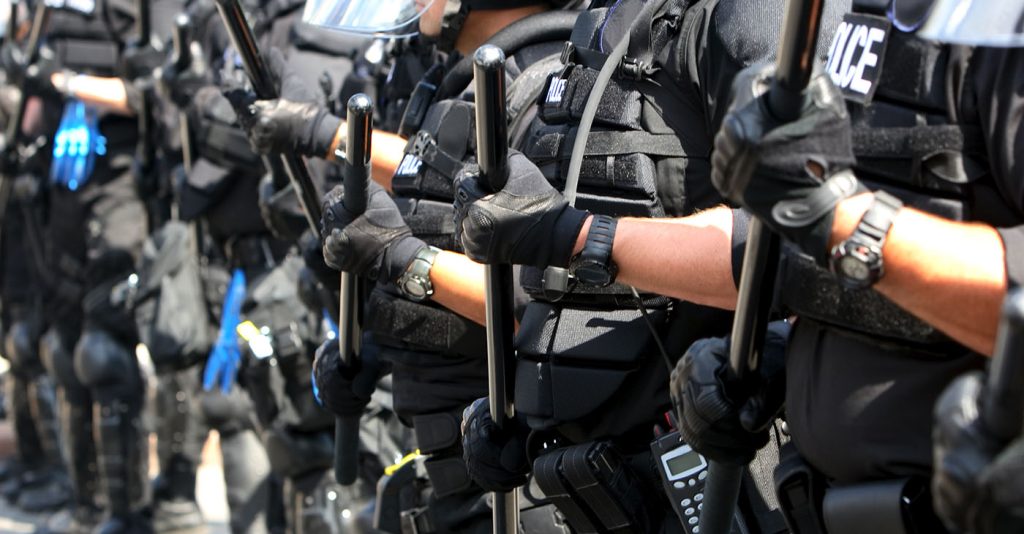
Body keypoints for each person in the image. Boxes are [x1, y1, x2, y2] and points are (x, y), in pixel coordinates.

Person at [458, 0, 1024, 530]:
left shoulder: (988, 25)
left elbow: (794, 224)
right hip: (822, 496)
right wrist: (781, 351)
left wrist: (580, 238)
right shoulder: (888, 16)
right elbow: (828, 249)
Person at [233, 0, 578, 530]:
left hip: (518, 479)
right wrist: (381, 340)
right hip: (445, 466)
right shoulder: (454, 86)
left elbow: (552, 309)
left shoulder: (548, 88)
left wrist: (405, 262)